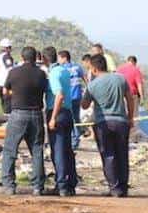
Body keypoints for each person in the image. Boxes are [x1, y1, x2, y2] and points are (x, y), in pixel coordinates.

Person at [0, 46, 49, 195]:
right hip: (36, 114)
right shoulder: (41, 74)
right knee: (37, 150)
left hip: (18, 114)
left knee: (10, 149)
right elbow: (45, 90)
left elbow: (5, 91)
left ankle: (9, 185)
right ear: (35, 58)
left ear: (21, 57)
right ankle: (38, 187)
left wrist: (15, 93)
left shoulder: (14, 72)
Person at [83, 54, 130, 196]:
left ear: (94, 69)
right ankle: (123, 186)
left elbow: (84, 105)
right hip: (121, 121)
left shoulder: (93, 85)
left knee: (108, 155)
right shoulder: (120, 79)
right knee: (122, 154)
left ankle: (114, 187)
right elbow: (129, 97)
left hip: (103, 123)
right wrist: (130, 116)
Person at [43, 47, 76, 196]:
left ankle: (61, 185)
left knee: (58, 151)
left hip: (58, 112)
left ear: (44, 59)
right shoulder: (64, 70)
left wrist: (53, 117)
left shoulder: (54, 74)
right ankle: (71, 184)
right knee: (67, 150)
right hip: (68, 113)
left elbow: (59, 95)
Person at [58, 49, 85, 150]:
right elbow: (85, 79)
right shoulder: (77, 67)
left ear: (64, 58)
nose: (59, 60)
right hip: (78, 96)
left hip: (68, 98)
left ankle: (74, 140)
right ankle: (76, 139)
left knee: (70, 119)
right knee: (76, 118)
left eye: (59, 58)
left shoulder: (62, 69)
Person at [0, 39, 15, 113]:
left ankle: (6, 116)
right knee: (8, 102)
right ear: (7, 48)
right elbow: (10, 69)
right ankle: (8, 120)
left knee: (3, 101)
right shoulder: (7, 57)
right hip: (6, 83)